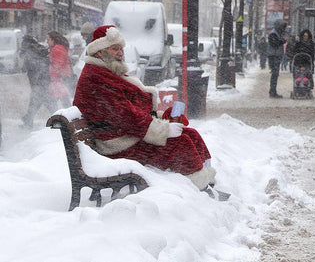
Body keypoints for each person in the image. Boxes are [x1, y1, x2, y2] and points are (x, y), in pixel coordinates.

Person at [73, 25, 216, 191]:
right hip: (116, 145)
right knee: (181, 143)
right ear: (99, 51)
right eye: (115, 49)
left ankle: (207, 181)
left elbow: (129, 109)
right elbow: (124, 115)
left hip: (125, 135)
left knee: (191, 134)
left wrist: (162, 117)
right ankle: (200, 188)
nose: (120, 53)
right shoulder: (96, 77)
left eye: (121, 49)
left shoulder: (105, 71)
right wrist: (162, 129)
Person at [20, 35, 55, 128]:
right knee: (41, 101)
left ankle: (28, 121)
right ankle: (28, 120)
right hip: (42, 81)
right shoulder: (40, 49)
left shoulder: (31, 52)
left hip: (40, 81)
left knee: (40, 101)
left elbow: (26, 67)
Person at [47, 31, 73, 109]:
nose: (47, 42)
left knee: (58, 101)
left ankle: (66, 118)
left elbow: (58, 65)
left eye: (48, 40)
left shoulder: (57, 49)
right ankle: (68, 117)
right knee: (61, 100)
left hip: (59, 79)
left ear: (53, 40)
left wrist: (54, 78)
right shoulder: (57, 48)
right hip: (59, 79)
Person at [267, 19, 287, 98]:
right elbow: (275, 43)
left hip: (275, 55)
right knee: (274, 74)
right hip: (274, 56)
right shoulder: (274, 34)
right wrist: (283, 41)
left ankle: (273, 91)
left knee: (275, 74)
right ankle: (272, 91)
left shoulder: (276, 33)